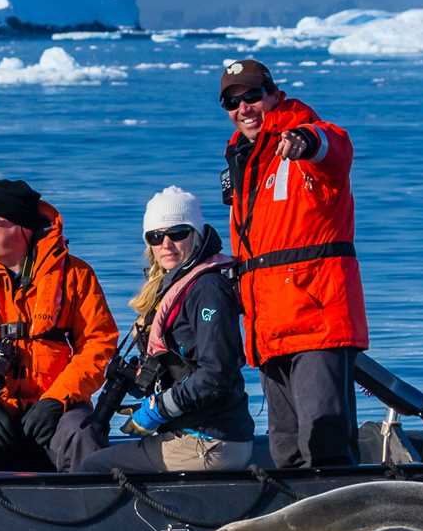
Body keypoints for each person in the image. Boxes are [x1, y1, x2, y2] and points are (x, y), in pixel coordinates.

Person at [217, 58, 368, 467]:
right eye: (232, 102)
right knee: (287, 451)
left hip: (316, 319)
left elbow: (334, 146)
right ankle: (300, 529)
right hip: (267, 325)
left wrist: (306, 141)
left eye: (252, 96)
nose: (243, 108)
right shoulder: (242, 160)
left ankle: (345, 524)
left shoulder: (301, 135)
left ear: (272, 94)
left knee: (325, 445)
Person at [77, 187, 255, 473]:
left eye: (178, 233)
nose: (167, 245)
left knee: (93, 468)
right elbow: (178, 368)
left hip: (212, 441)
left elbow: (216, 374)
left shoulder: (208, 290)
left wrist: (158, 410)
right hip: (192, 432)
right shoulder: (173, 287)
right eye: (156, 237)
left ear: (195, 235)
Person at [0, 179, 118, 471]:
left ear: (22, 227)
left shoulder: (75, 275)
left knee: (81, 435)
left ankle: (96, 507)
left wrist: (57, 399)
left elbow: (99, 343)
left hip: (56, 407)